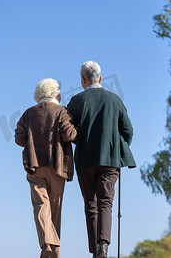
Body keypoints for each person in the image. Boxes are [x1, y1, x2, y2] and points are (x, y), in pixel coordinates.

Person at [67, 61, 136, 258]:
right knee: (106, 202)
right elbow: (128, 131)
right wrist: (118, 147)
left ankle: (94, 251)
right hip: (110, 159)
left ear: (82, 80)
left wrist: (80, 139)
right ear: (100, 77)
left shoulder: (76, 101)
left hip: (85, 160)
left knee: (91, 204)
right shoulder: (115, 100)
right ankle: (103, 247)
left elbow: (68, 131)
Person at [15, 78, 77, 258]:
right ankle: (54, 253)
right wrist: (77, 131)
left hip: (35, 167)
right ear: (56, 93)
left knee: (41, 207)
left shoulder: (28, 114)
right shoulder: (62, 111)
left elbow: (19, 139)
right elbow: (68, 134)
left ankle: (46, 243)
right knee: (55, 213)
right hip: (58, 167)